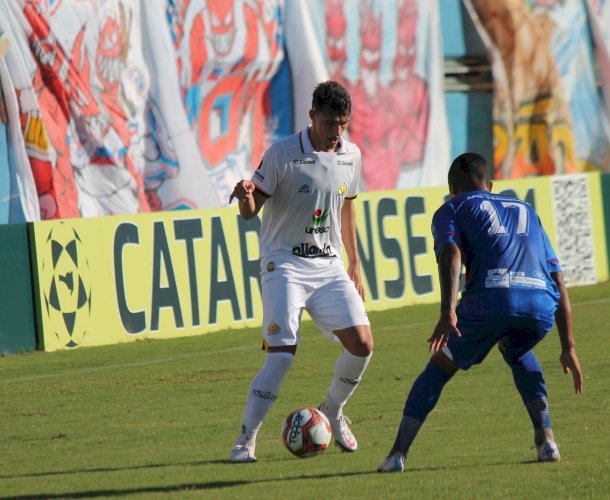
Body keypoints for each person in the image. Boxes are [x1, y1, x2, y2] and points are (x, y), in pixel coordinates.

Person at [377, 152, 583, 473]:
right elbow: (558, 277)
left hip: (490, 300)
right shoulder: (527, 210)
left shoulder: (452, 208)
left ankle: (396, 455)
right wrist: (568, 346)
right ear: (490, 184)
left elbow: (451, 252)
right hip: (540, 305)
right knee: (516, 349)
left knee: (439, 369)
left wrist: (448, 310)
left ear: (451, 188)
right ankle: (547, 442)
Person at [228, 80, 373, 463]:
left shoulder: (351, 154)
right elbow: (250, 211)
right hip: (285, 264)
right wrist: (245, 198)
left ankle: (333, 411)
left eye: (343, 123)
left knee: (362, 344)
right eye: (329, 123)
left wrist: (354, 262)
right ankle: (246, 440)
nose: (336, 132)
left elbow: (347, 206)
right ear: (312, 117)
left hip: (329, 267)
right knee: (280, 357)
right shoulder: (282, 154)